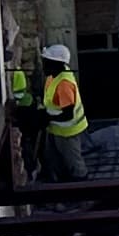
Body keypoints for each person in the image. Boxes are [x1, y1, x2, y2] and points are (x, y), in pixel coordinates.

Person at [33, 41, 89, 181]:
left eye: (46, 62)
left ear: (56, 64)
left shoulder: (64, 84)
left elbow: (68, 114)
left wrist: (47, 118)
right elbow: (50, 102)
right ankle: (63, 182)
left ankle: (83, 186)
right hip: (56, 129)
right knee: (54, 158)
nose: (43, 65)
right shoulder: (53, 76)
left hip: (68, 132)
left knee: (74, 163)